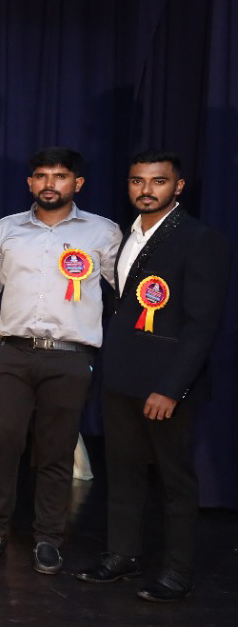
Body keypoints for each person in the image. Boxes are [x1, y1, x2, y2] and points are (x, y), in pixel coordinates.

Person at [81, 152, 229, 602]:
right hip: (121, 376)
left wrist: (171, 387)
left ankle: (177, 570)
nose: (146, 190)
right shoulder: (129, 235)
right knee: (122, 471)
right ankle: (123, 554)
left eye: (158, 182)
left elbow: (202, 326)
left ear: (178, 187)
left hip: (166, 385)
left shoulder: (201, 240)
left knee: (173, 478)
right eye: (137, 181)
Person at [0, 148, 121, 575]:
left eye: (60, 176)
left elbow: (120, 291)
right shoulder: (5, 230)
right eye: (41, 175)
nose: (49, 184)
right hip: (13, 353)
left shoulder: (103, 233)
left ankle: (48, 538)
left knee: (56, 451)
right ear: (30, 183)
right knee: (2, 443)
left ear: (78, 183)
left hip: (70, 357)